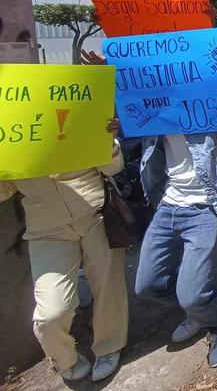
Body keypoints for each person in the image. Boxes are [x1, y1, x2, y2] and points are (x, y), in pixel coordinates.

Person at [126, 36, 217, 368]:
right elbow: (127, 122)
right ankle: (196, 309)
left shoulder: (212, 95)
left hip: (208, 204)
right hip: (167, 204)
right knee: (147, 285)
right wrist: (110, 85)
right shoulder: (154, 103)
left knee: (192, 291)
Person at [0, 119, 127, 382]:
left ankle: (109, 345)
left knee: (108, 286)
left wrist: (107, 141)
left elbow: (114, 167)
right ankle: (64, 357)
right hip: (46, 229)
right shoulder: (12, 128)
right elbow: (4, 191)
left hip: (95, 214)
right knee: (51, 313)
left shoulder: (73, 113)